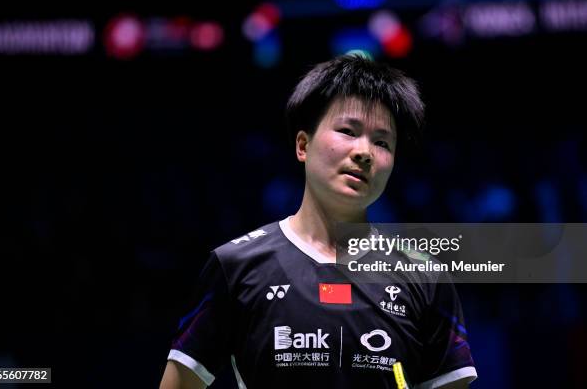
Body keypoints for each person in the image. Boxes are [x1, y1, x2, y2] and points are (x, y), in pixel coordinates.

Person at [160, 54, 477, 388]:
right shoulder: (236, 266)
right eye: (347, 131)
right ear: (303, 145)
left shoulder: (425, 277)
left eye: (382, 142)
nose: (364, 152)